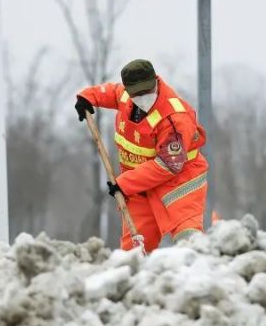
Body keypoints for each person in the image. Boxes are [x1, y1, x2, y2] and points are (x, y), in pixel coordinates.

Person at [75, 59, 209, 252]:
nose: (143, 97)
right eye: (137, 94)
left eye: (147, 90)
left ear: (155, 82)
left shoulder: (175, 117)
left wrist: (124, 183)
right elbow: (111, 92)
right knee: (134, 249)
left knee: (188, 241)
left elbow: (168, 165)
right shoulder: (125, 97)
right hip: (140, 187)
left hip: (179, 183)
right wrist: (87, 97)